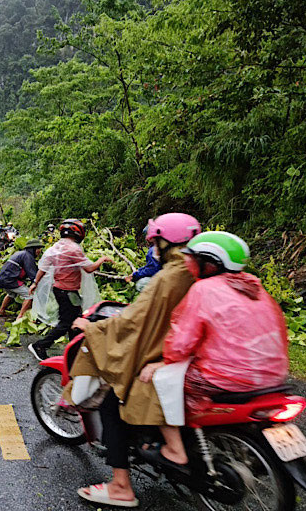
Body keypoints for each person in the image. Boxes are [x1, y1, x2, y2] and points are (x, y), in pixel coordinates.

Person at [68, 212, 200, 507]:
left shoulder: (168, 278)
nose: (154, 249)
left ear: (167, 243)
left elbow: (132, 322)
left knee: (112, 404)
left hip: (168, 354)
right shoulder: (200, 270)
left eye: (156, 242)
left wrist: (93, 328)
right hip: (196, 352)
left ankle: (120, 486)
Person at [136, 231, 289, 469]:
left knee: (155, 382)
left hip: (228, 378)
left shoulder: (204, 290)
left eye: (193, 258)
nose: (188, 262)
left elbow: (181, 343)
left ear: (208, 263)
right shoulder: (255, 287)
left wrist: (162, 362)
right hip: (274, 376)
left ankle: (175, 450)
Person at [27, 219, 113, 361]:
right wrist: (102, 259)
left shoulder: (54, 248)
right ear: (78, 232)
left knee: (76, 320)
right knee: (67, 322)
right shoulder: (73, 249)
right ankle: (40, 346)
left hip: (61, 290)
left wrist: (35, 283)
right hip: (68, 292)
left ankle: (76, 351)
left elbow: (43, 268)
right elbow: (89, 268)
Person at [0, 239, 43, 320]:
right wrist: (36, 283)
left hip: (3, 279)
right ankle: (20, 317)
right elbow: (32, 273)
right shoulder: (28, 256)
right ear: (33, 249)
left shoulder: (21, 253)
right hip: (10, 280)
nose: (39, 251)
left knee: (11, 294)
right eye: (38, 249)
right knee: (29, 295)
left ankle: (1, 311)